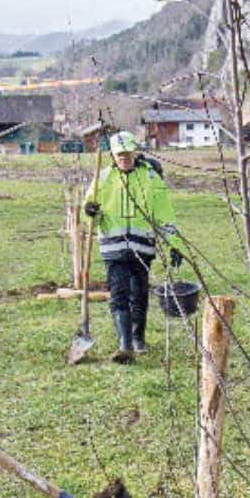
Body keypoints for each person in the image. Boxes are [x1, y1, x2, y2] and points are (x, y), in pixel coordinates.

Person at [82, 130, 184, 362]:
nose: (124, 158)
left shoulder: (150, 178)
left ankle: (138, 338)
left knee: (139, 293)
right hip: (113, 248)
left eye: (127, 154)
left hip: (142, 247)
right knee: (118, 293)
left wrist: (175, 245)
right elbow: (90, 211)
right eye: (119, 155)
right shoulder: (103, 178)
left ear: (135, 152)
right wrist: (89, 211)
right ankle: (124, 345)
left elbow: (165, 215)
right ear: (112, 155)